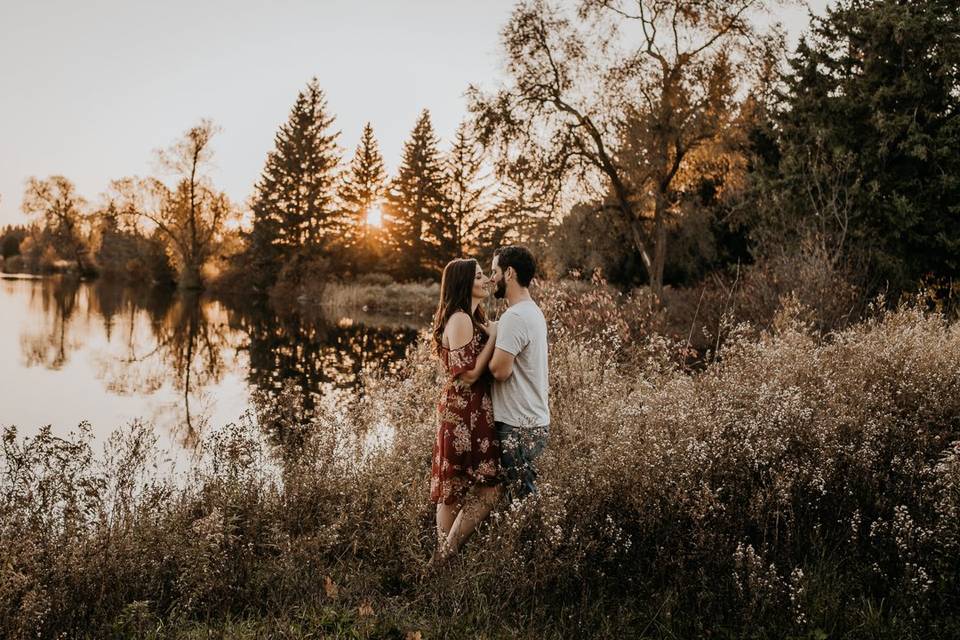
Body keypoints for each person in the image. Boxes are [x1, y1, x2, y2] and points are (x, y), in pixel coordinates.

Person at [429, 258, 501, 564]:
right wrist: (495, 336)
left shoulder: (472, 318)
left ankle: (443, 562)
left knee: (467, 485)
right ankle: (442, 559)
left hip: (474, 409)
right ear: (464, 283)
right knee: (465, 487)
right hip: (462, 411)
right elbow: (468, 374)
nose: (485, 281)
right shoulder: (459, 319)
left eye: (486, 275)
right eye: (480, 276)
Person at [488, 245, 550, 500]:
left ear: (509, 273)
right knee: (520, 497)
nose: (492, 279)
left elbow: (499, 371)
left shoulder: (515, 316)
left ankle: (532, 541)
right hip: (532, 423)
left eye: (494, 272)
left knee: (520, 501)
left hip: (517, 426)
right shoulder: (531, 311)